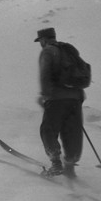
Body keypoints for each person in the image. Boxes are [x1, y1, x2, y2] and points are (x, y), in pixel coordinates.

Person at [34, 27, 84, 178]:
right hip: (75, 98)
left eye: (40, 41)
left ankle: (56, 164)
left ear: (43, 39)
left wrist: (44, 96)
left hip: (56, 99)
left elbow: (45, 75)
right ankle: (70, 166)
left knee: (48, 130)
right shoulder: (69, 50)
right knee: (72, 132)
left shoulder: (48, 52)